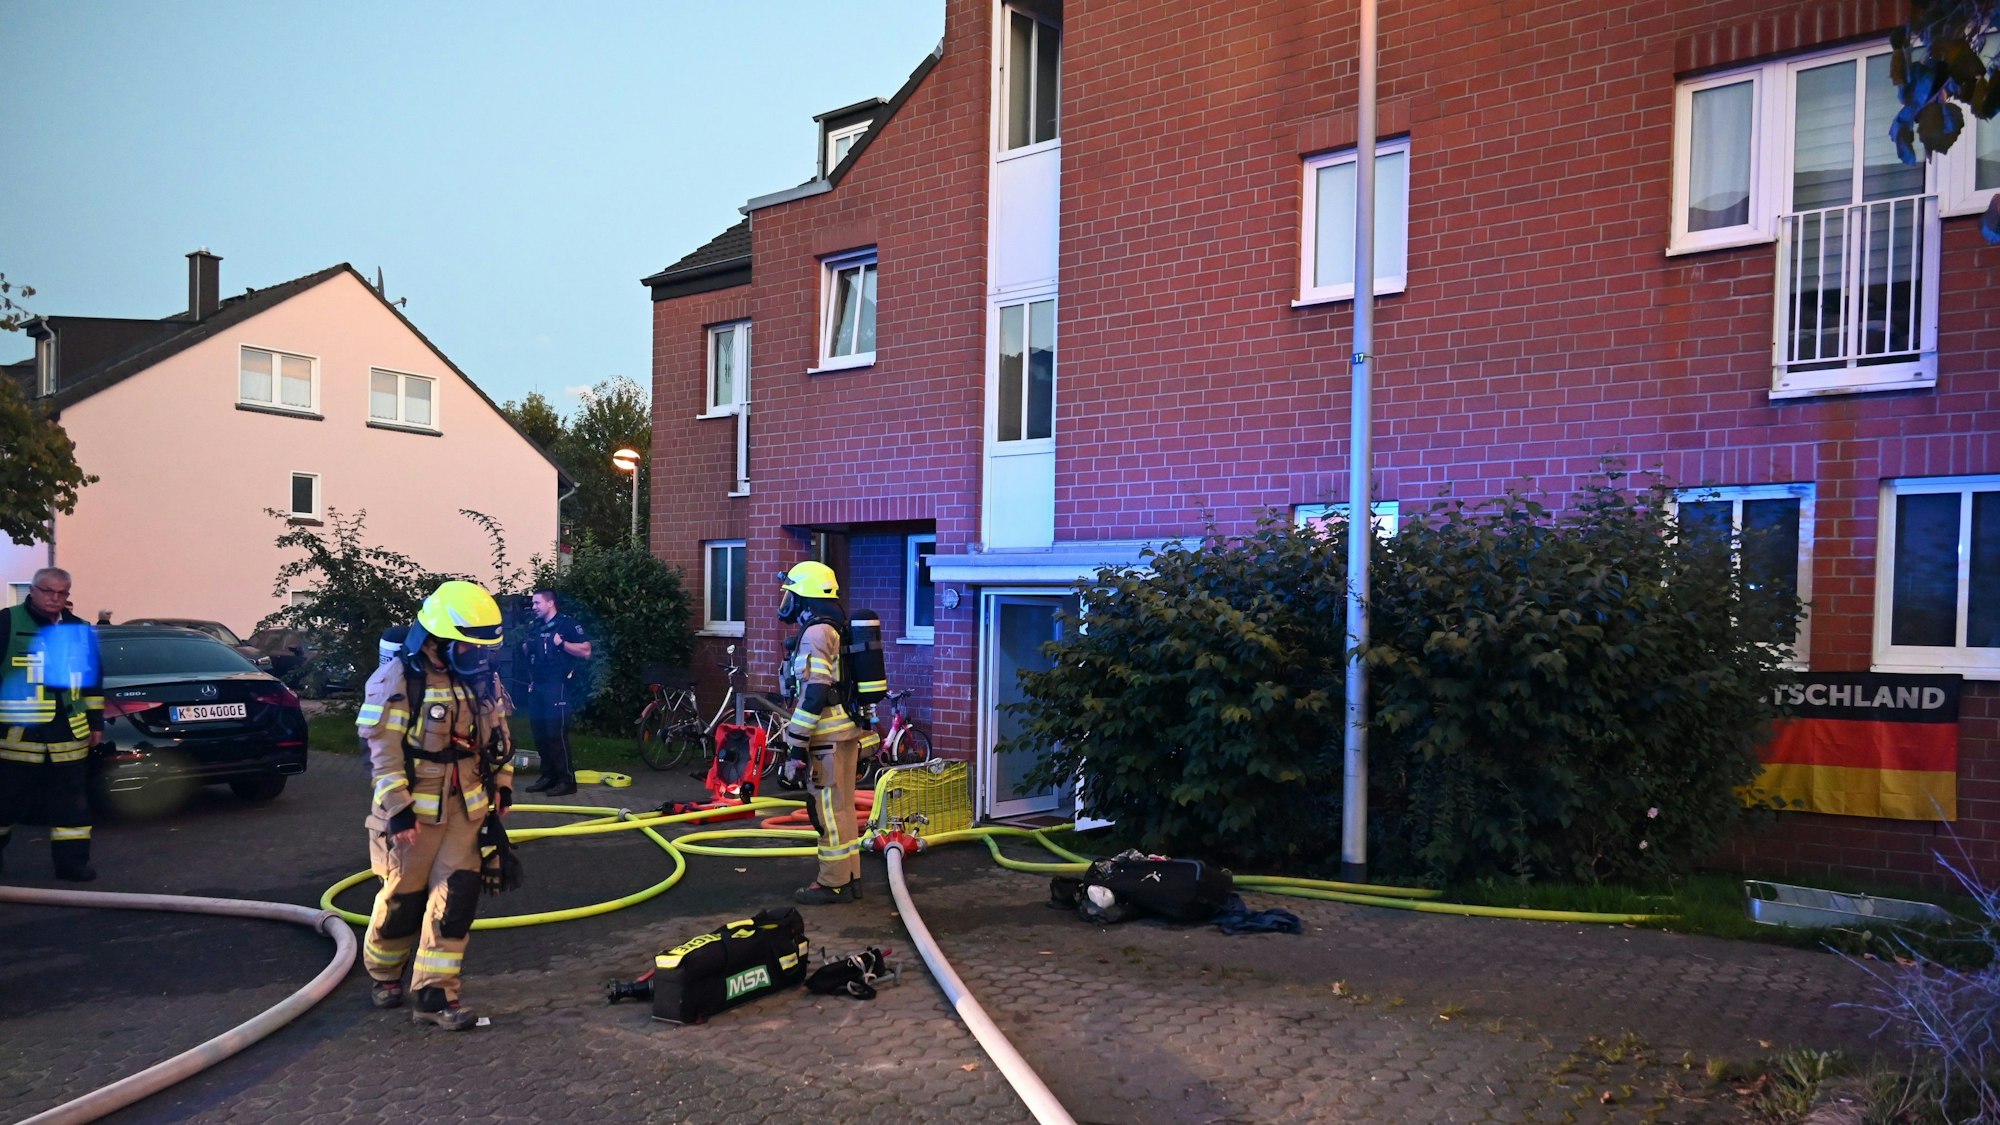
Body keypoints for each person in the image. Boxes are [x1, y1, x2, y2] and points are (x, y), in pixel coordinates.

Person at [356, 580, 515, 1030]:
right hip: (415, 815)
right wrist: (399, 807)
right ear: (440, 640)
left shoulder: (482, 678)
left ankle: (434, 996)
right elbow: (382, 749)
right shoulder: (399, 679)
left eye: (484, 650)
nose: (479, 658)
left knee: (458, 899)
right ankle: (385, 973)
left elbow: (500, 735)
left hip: (467, 808)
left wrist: (502, 785)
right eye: (469, 648)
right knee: (403, 900)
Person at [0, 568, 105, 881]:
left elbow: (93, 681)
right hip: (16, 735)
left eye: (62, 593)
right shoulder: (6, 622)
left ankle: (72, 866)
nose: (54, 598)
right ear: (32, 590)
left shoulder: (80, 629)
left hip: (69, 734)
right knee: (5, 805)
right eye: (48, 591)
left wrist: (96, 722)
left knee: (72, 808)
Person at [776, 561, 865, 905]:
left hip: (825, 737)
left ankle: (832, 883)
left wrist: (796, 745)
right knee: (841, 809)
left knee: (826, 811)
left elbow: (814, 692)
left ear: (806, 596)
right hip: (845, 731)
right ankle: (850, 878)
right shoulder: (835, 627)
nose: (787, 603)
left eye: (791, 595)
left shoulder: (815, 633)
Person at [520, 588, 590, 798]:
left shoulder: (567, 625)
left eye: (537, 603)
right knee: (540, 734)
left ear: (550, 603)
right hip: (538, 685)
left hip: (557, 685)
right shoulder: (536, 626)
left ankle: (567, 781)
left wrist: (563, 644)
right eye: (533, 604)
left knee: (555, 734)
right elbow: (528, 650)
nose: (534, 607)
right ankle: (548, 776)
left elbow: (586, 652)